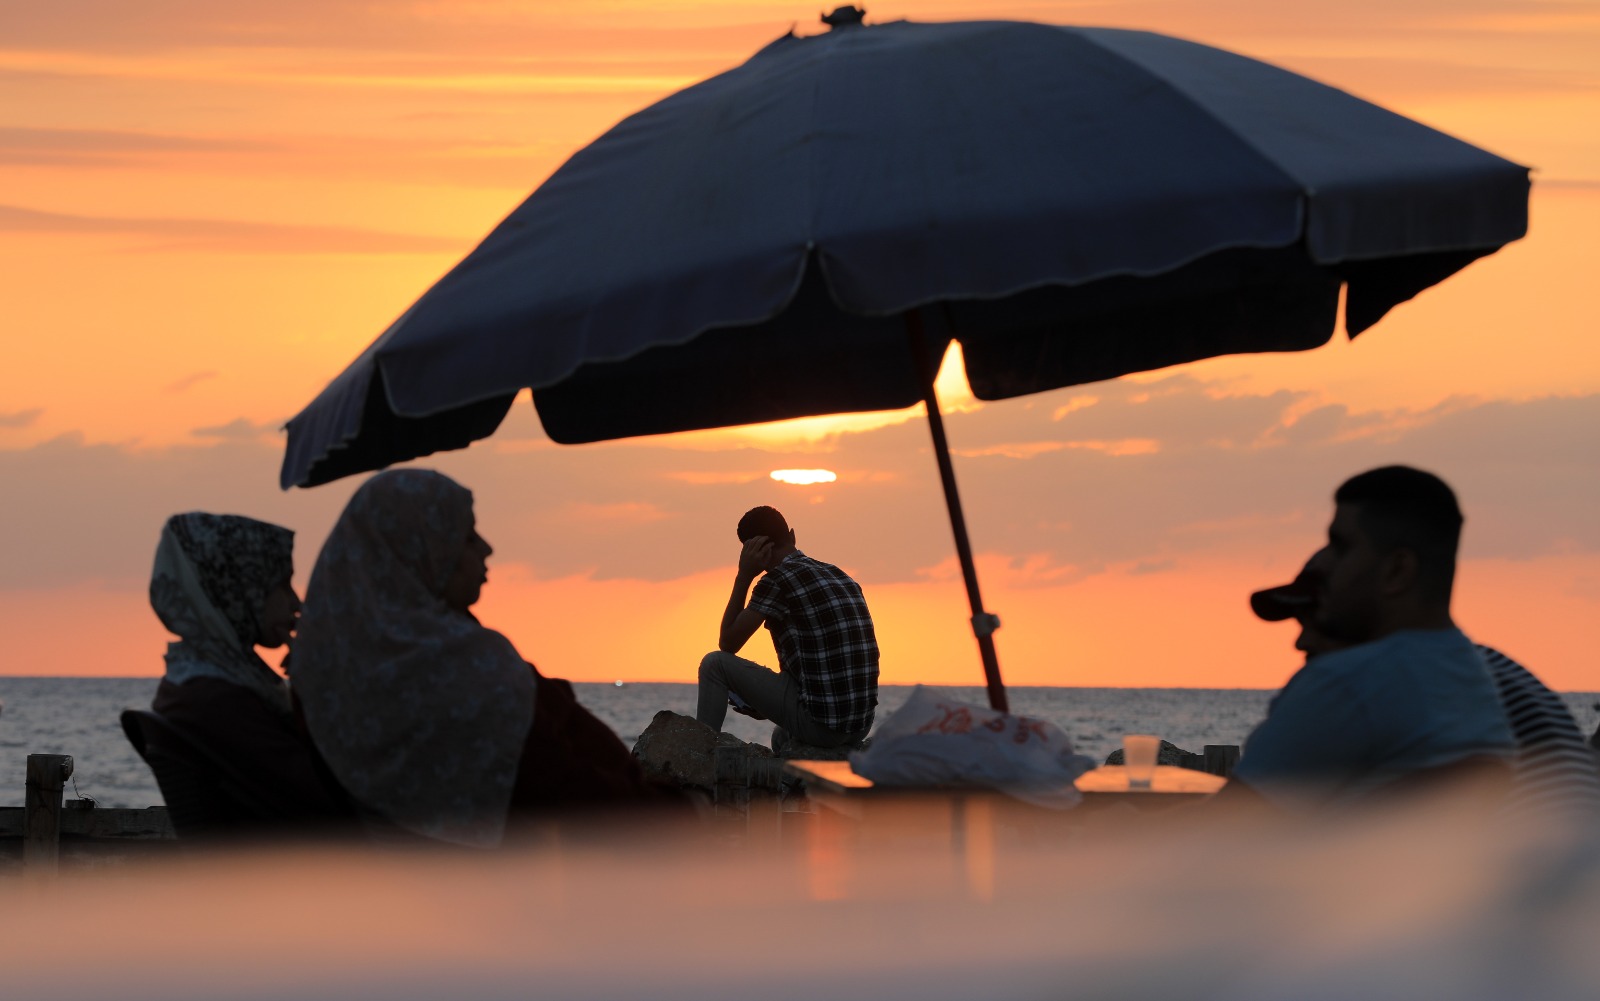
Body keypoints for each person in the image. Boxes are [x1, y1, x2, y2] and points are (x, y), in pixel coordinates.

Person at [290, 469, 666, 849]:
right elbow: (568, 789)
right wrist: (675, 811)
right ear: (423, 551)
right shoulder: (472, 674)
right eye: (467, 536)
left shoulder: (323, 681)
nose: (486, 548)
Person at [1220, 466, 1514, 812]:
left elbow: (1221, 829)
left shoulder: (1351, 683)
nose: (1329, 565)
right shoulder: (1473, 682)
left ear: (1397, 571)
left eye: (1341, 547)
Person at [1251, 562, 1600, 821]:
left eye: (1316, 620)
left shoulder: (1372, 679)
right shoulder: (1483, 667)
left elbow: (1243, 822)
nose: (1301, 641)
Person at [147, 513, 354, 830]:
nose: (297, 603)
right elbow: (334, 798)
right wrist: (321, 685)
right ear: (238, 588)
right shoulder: (218, 699)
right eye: (282, 585)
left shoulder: (198, 683)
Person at [697, 506, 878, 749]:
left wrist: (744, 576)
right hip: (859, 727)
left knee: (714, 664)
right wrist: (763, 703)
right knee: (781, 737)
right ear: (792, 535)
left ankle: (700, 754)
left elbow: (728, 642)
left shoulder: (777, 580)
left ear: (753, 550)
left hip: (823, 726)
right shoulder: (840, 575)